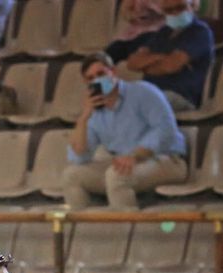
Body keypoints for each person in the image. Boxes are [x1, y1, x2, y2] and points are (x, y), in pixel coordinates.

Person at [63, 51, 189, 208]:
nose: (97, 80)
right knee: (71, 175)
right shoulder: (95, 110)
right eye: (91, 78)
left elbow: (165, 130)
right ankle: (88, 223)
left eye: (101, 74)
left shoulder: (143, 91)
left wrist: (134, 155)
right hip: (126, 163)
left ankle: (126, 222)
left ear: (113, 72)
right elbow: (79, 156)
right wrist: (83, 118)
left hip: (166, 160)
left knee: (116, 176)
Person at [106, 0, 215, 112]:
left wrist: (147, 66)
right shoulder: (164, 32)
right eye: (169, 10)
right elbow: (133, 63)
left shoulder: (200, 32)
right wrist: (162, 57)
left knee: (134, 106)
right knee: (108, 99)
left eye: (180, 8)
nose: (175, 13)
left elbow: (170, 66)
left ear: (193, 5)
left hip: (180, 96)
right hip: (150, 92)